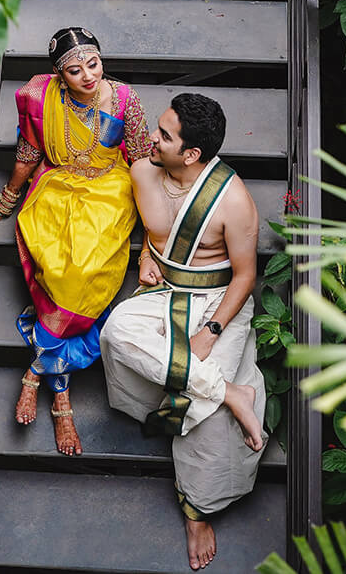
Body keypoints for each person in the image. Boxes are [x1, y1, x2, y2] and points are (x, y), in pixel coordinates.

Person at [100, 93, 267, 571]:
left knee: (209, 421)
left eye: (164, 136)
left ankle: (197, 510)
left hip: (217, 302)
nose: (152, 138)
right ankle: (228, 390)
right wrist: (145, 256)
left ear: (191, 154)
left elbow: (245, 276)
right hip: (164, 294)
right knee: (116, 332)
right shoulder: (142, 171)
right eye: (158, 127)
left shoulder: (234, 202)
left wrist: (213, 329)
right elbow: (147, 231)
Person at [0, 27, 153, 455]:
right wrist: (8, 199)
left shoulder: (125, 100)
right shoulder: (42, 99)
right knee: (59, 269)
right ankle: (59, 395)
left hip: (108, 193)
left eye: (93, 64)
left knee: (80, 273)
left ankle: (37, 377)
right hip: (58, 186)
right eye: (75, 70)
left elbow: (139, 160)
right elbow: (28, 153)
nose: (88, 76)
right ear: (61, 75)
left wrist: (153, 239)